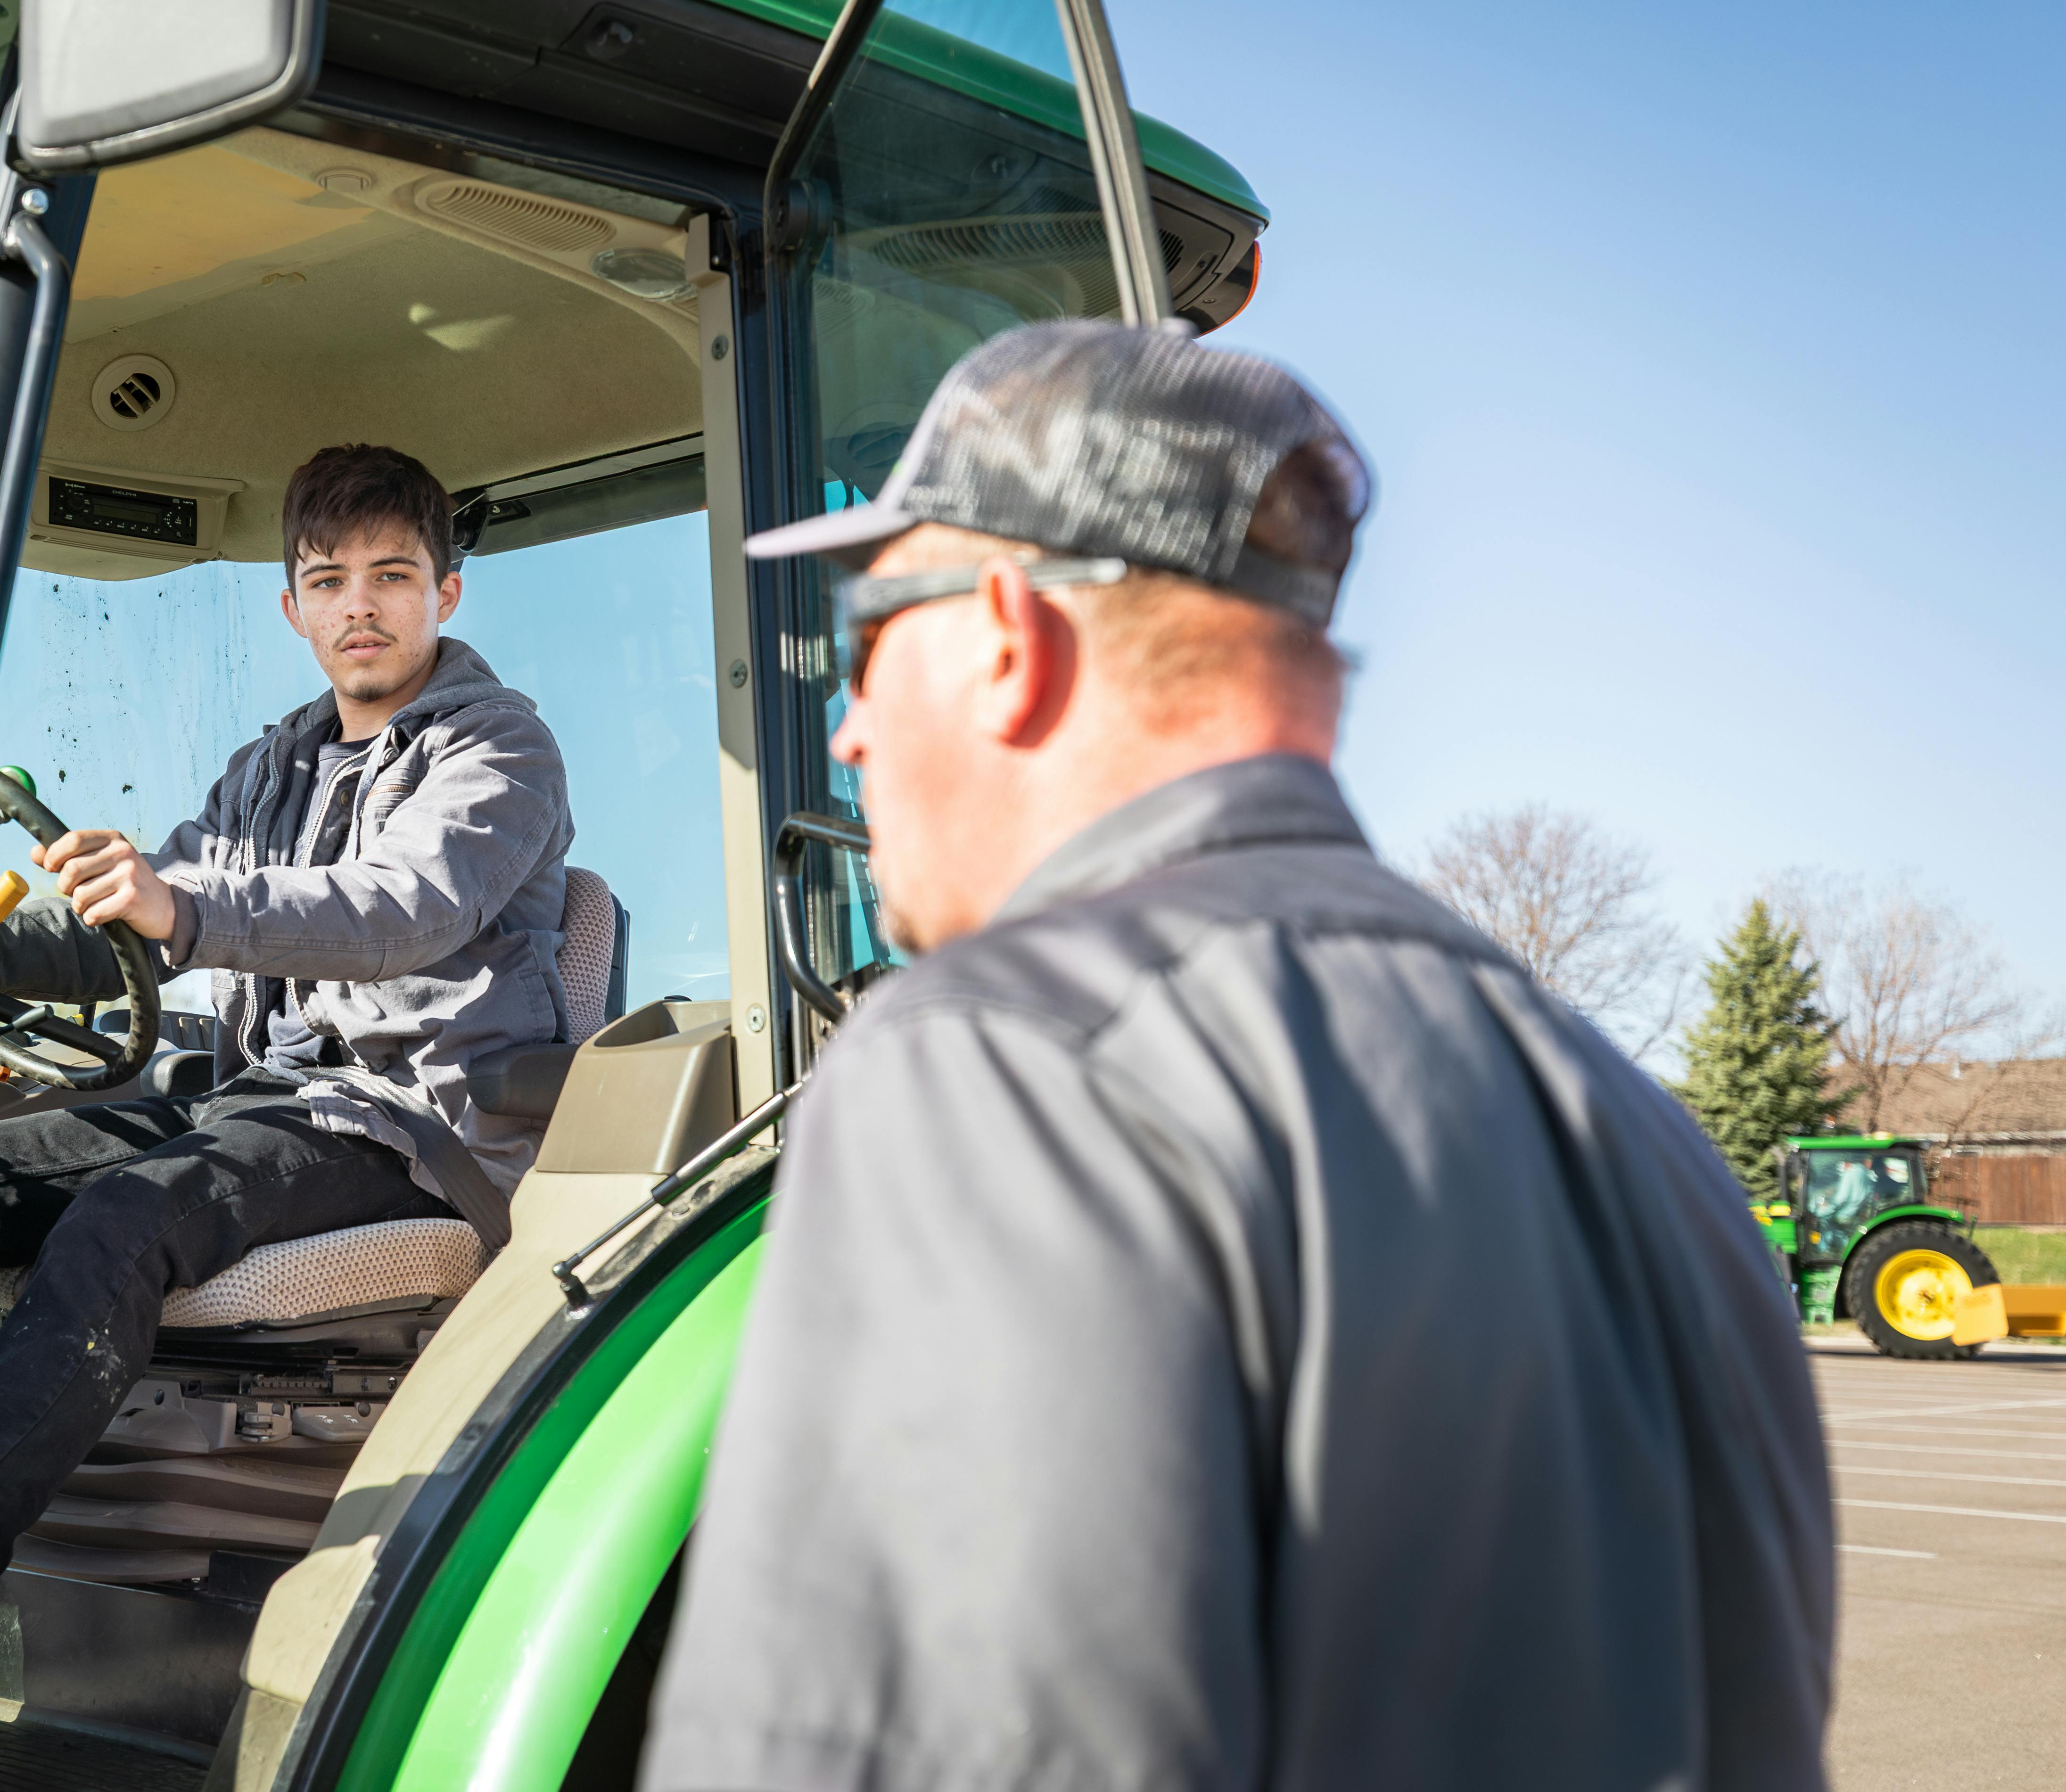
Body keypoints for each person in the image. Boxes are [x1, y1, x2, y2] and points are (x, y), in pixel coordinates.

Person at [642, 323, 1832, 1791]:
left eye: (867, 636)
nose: (843, 733)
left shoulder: (1009, 1062)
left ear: (1009, 639)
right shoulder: (1647, 1137)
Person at [0, 442, 574, 1665]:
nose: (360, 606)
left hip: (406, 1124)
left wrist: (186, 909)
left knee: (124, 1219)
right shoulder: (270, 765)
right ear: (294, 606)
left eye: (391, 575)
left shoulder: (499, 751)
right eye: (329, 580)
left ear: (446, 594)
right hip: (253, 1094)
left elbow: (405, 904)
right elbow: (146, 925)